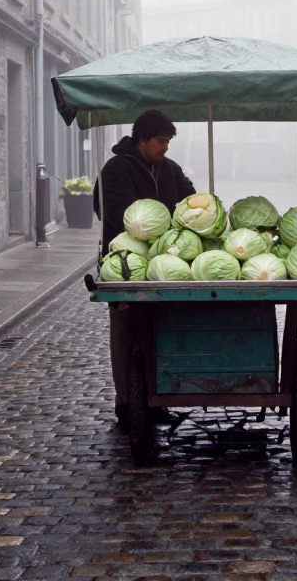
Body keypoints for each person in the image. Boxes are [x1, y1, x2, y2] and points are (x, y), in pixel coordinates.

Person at [93, 109, 195, 425]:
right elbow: (113, 213)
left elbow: (190, 198)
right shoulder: (116, 170)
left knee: (156, 331)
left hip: (165, 265)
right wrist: (158, 226)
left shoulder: (169, 169)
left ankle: (154, 399)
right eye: (161, 141)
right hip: (126, 267)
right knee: (126, 332)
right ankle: (127, 403)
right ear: (142, 140)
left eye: (167, 142)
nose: (165, 148)